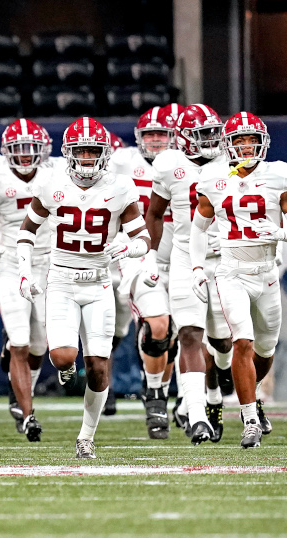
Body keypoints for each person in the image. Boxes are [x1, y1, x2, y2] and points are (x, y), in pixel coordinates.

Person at [19, 117, 150, 459]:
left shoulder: (120, 187)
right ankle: (64, 368)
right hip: (61, 280)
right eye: (83, 151)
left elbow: (143, 238)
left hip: (99, 283)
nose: (89, 158)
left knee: (97, 367)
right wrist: (23, 272)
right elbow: (26, 231)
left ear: (105, 154)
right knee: (63, 356)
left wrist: (127, 247)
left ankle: (86, 437)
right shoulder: (51, 183)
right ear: (70, 153)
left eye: (94, 151)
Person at [192, 111, 287, 448]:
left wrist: (280, 233)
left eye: (252, 140)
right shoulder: (213, 179)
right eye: (239, 140)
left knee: (265, 348)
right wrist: (199, 268)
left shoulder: (279, 174)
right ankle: (249, 421)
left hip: (267, 273)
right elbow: (197, 229)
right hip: (231, 272)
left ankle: (253, 394)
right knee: (240, 341)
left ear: (262, 143)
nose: (246, 146)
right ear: (227, 144)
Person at [145, 104, 241, 445]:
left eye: (215, 133)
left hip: (229, 257)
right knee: (188, 334)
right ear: (185, 138)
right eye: (203, 135)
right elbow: (155, 213)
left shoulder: (233, 162)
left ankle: (214, 393)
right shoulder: (169, 165)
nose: (212, 141)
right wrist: (152, 256)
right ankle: (197, 417)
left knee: (223, 342)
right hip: (187, 256)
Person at [109, 106, 178, 439]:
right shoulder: (120, 161)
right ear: (138, 138)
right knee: (157, 326)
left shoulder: (183, 164)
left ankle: (165, 394)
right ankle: (154, 397)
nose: (155, 140)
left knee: (174, 336)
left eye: (161, 134)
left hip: (178, 255)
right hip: (138, 254)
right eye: (149, 134)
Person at [0, 118, 53, 440]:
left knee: (42, 345)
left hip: (47, 264)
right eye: (18, 149)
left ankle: (19, 390)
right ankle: (29, 415)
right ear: (6, 151)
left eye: (31, 149)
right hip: (12, 263)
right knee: (20, 341)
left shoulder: (57, 173)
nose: (25, 156)